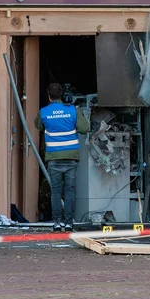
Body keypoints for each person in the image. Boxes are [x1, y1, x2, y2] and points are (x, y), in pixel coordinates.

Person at [35, 83, 90, 232]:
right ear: (62, 95)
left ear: (48, 96)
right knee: (70, 190)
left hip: (53, 157)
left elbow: (38, 126)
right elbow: (85, 128)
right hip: (71, 157)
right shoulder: (73, 110)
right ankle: (69, 223)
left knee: (56, 191)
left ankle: (57, 223)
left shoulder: (44, 112)